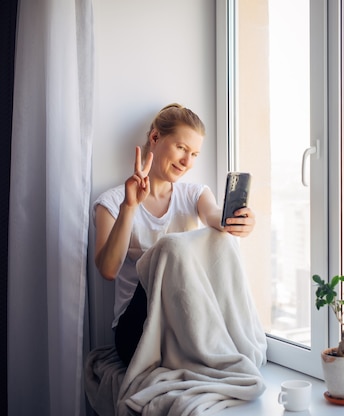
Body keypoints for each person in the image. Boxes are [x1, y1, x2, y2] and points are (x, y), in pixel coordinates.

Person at [93, 103, 255, 366]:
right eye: (181, 148)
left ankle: (238, 335)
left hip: (184, 325)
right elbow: (108, 270)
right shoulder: (110, 203)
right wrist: (130, 207)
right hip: (137, 333)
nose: (186, 162)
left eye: (194, 154)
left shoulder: (194, 194)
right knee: (170, 247)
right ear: (155, 138)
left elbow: (215, 216)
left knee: (220, 238)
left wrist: (236, 221)